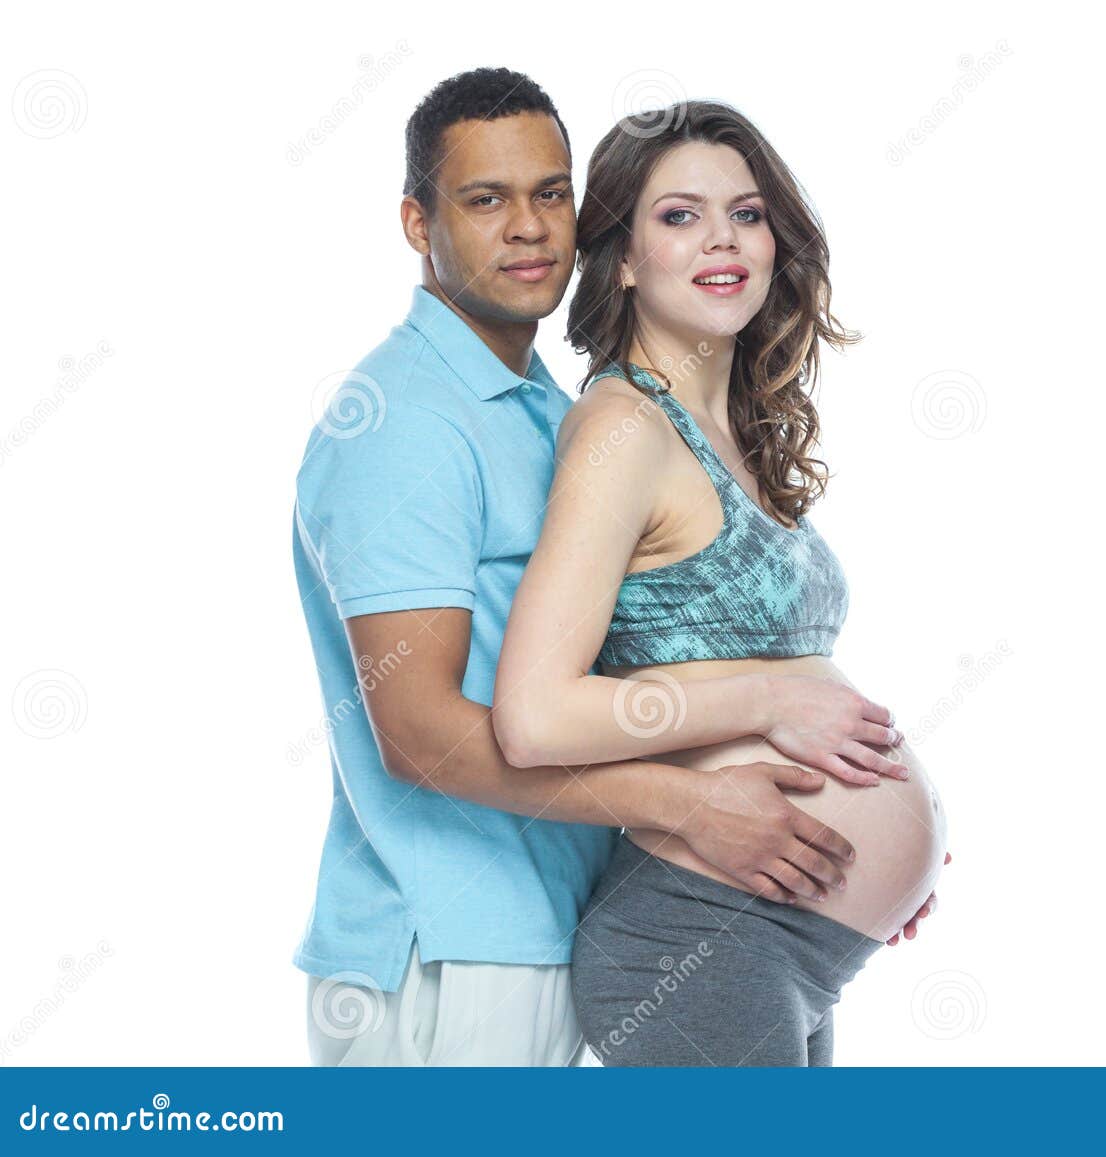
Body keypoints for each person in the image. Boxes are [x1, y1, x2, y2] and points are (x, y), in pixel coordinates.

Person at [291, 69, 877, 1066]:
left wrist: (829, 871)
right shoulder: (402, 424)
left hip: (554, 928)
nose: (526, 227)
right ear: (416, 222)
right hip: (452, 957)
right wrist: (694, 803)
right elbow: (417, 730)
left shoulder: (546, 412)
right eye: (484, 199)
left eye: (549, 193)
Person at [491, 101, 949, 1067]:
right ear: (619, 257)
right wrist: (775, 699)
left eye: (746, 212)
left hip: (782, 933)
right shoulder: (623, 428)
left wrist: (879, 869)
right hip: (698, 936)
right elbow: (533, 715)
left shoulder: (734, 433)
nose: (722, 239)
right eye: (679, 216)